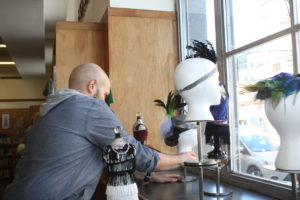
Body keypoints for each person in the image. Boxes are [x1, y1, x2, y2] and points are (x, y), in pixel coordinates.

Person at [4, 63, 196, 200]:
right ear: (92, 86)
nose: (105, 101)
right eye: (105, 94)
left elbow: (95, 157)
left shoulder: (50, 111)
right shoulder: (88, 107)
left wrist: (148, 176)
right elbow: (133, 152)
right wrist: (182, 157)